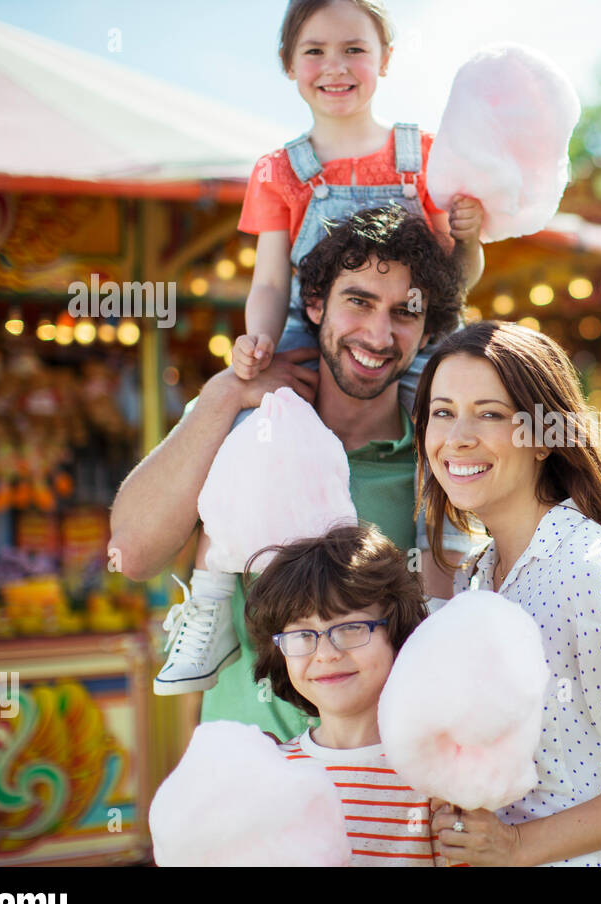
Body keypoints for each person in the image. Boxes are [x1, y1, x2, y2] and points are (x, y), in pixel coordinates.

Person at [152, 0, 486, 695]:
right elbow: (272, 275)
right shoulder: (280, 169)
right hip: (314, 328)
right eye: (315, 51)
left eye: (355, 50)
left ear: (385, 62)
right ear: (288, 65)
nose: (335, 67)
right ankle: (214, 592)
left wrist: (471, 237)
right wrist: (260, 342)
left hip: (414, 326)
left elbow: (456, 280)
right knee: (251, 436)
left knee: (448, 434)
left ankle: (446, 578)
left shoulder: (421, 156)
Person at [109, 208, 472, 740]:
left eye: (404, 313)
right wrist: (228, 391)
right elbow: (133, 553)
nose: (377, 334)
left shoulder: (439, 463)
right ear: (317, 305)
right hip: (248, 786)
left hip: (380, 792)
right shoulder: (236, 425)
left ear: (427, 329)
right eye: (359, 302)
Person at [413, 321, 601, 866]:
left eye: (489, 413)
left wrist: (515, 847)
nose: (457, 436)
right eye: (442, 411)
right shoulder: (482, 573)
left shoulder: (585, 574)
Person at [246, 523, 441, 865]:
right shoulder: (271, 772)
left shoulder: (438, 776)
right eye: (303, 634)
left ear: (396, 633)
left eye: (350, 628)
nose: (326, 653)